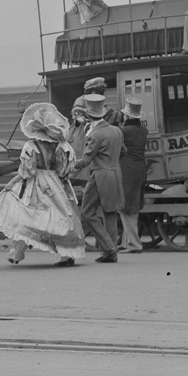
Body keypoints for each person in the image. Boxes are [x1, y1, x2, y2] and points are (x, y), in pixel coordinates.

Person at [0, 103, 85, 266]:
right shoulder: (59, 145)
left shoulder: (31, 146)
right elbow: (62, 169)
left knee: (25, 217)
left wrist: (12, 181)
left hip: (35, 183)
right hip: (54, 182)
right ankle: (67, 255)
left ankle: (17, 253)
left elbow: (28, 171)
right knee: (59, 217)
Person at [72, 93, 125, 263]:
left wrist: (68, 163)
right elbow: (124, 151)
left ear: (89, 116)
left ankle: (109, 247)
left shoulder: (95, 135)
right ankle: (111, 254)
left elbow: (85, 161)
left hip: (99, 176)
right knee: (110, 213)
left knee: (87, 213)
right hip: (116, 174)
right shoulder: (116, 131)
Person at [117, 98, 148, 254]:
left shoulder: (123, 131)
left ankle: (135, 244)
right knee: (132, 206)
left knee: (126, 207)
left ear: (127, 116)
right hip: (141, 169)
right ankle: (126, 242)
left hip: (127, 170)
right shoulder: (143, 131)